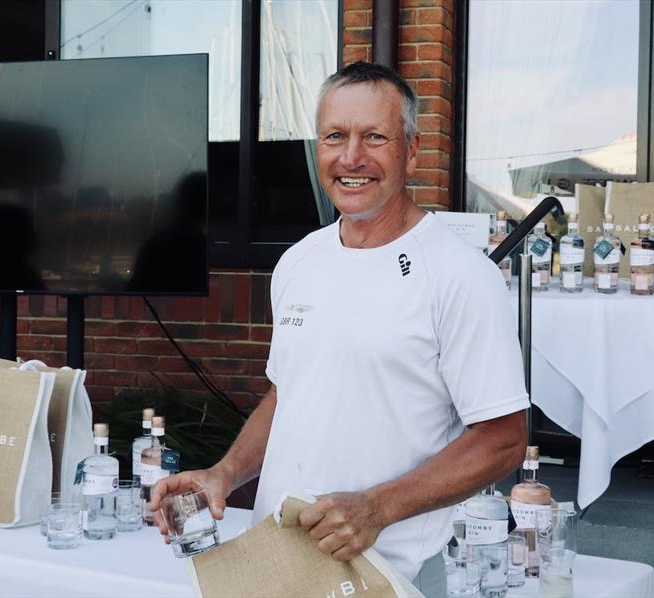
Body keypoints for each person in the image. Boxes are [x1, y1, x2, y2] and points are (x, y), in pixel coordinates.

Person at [152, 61, 528, 594]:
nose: (352, 157)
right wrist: (227, 471)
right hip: (278, 563)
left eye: (375, 137)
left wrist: (379, 507)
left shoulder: (461, 276)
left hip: (385, 573)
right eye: (335, 136)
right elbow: (289, 394)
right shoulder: (298, 262)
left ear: (412, 150)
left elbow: (504, 440)